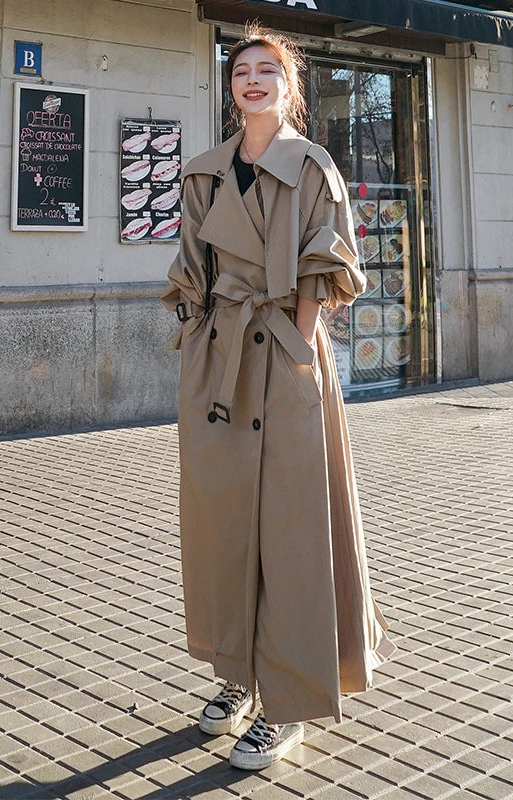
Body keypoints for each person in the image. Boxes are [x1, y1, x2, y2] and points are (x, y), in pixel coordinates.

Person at [161, 24, 395, 771]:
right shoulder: (204, 172)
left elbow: (331, 265)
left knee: (293, 535)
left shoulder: (312, 165)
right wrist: (198, 339)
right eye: (241, 71)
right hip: (220, 365)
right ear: (230, 89)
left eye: (267, 70)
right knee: (225, 528)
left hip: (287, 361)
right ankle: (237, 674)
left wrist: (298, 339)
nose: (253, 80)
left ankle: (289, 700)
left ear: (289, 87)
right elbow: (190, 268)